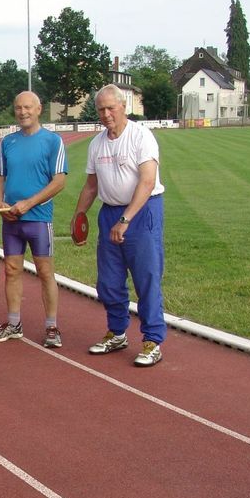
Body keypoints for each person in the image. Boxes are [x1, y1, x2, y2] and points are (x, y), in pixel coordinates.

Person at [73, 84, 166, 367]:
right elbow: (91, 186)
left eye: (110, 108)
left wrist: (126, 219)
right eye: (101, 109)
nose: (106, 114)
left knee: (146, 278)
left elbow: (147, 181)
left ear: (124, 107)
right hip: (109, 212)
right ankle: (116, 332)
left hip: (141, 212)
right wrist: (79, 215)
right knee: (109, 281)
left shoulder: (141, 137)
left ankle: (152, 340)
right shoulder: (97, 144)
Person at [0, 91, 68, 347]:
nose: (22, 112)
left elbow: (59, 181)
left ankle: (52, 327)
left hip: (38, 220)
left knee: (45, 272)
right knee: (11, 271)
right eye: (18, 108)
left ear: (38, 109)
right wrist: (0, 203)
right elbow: (0, 179)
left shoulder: (53, 141)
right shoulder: (7, 142)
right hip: (11, 221)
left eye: (27, 107)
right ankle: (14, 324)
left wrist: (28, 203)